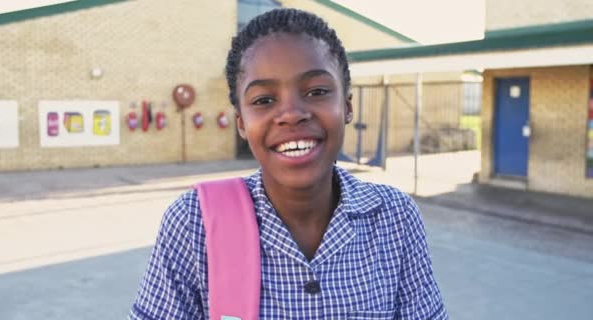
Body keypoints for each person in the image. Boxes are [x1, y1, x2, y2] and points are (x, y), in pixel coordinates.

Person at [130, 8, 447, 319]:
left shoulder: (394, 217)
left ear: (347, 106)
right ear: (241, 123)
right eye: (264, 100)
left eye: (317, 91)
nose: (292, 113)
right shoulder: (195, 221)